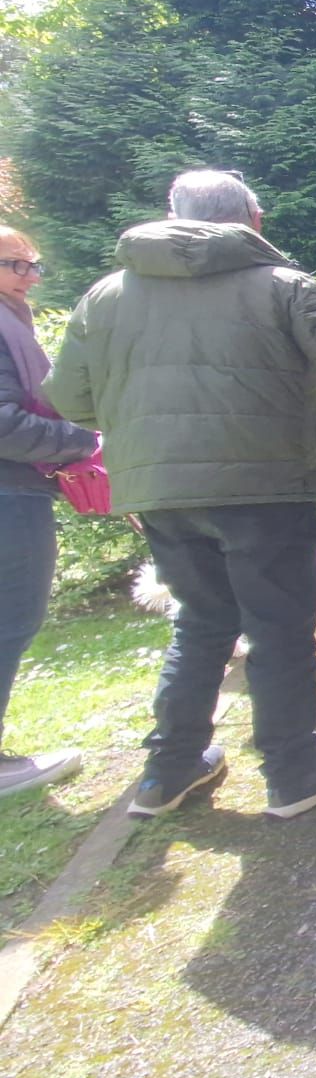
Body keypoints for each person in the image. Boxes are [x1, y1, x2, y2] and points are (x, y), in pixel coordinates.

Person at [45, 171, 316, 819]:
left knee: (200, 624)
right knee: (280, 628)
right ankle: (294, 771)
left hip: (160, 495)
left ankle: (167, 772)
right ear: (253, 219)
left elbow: (69, 400)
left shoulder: (105, 296)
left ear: (173, 215)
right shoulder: (281, 286)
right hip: (265, 487)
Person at [0, 226, 99, 799]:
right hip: (8, 494)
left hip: (17, 488)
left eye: (35, 264)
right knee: (10, 618)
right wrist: (84, 442)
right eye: (20, 266)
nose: (33, 277)